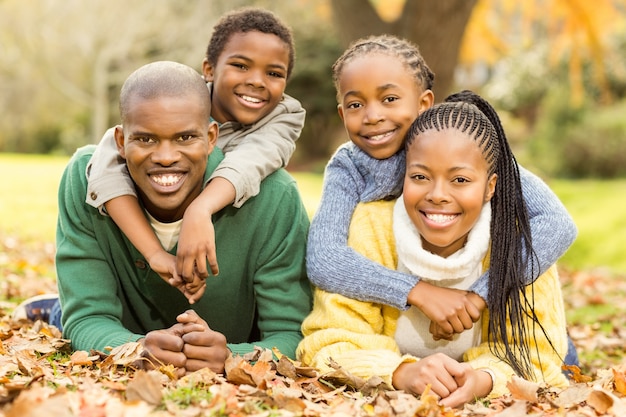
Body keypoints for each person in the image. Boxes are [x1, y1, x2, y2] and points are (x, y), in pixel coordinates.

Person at [19, 61, 311, 376]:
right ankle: (58, 308)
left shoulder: (275, 197)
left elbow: (293, 336)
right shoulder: (86, 179)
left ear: (212, 137)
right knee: (68, 317)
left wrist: (231, 356)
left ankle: (55, 308)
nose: (166, 157)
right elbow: (88, 319)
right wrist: (136, 349)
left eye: (186, 138)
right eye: (145, 139)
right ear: (120, 141)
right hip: (126, 327)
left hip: (233, 337)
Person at [297, 91, 570, 408]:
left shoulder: (523, 246)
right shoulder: (370, 230)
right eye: (420, 176)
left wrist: (483, 378)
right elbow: (325, 344)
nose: (438, 194)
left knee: (564, 351)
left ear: (490, 187)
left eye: (460, 179)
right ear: (403, 175)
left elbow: (540, 357)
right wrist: (402, 372)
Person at [305, 35, 578, 347]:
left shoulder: (458, 146)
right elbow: (324, 258)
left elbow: (557, 224)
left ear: (423, 104)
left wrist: (479, 296)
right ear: (342, 114)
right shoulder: (349, 167)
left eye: (389, 99)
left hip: (505, 333)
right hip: (407, 323)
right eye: (356, 104)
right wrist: (416, 290)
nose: (373, 116)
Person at [84, 7, 305, 302]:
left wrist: (200, 209)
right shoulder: (180, 98)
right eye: (241, 66)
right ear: (210, 70)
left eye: (274, 73)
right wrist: (153, 252)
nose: (257, 81)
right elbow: (106, 165)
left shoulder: (284, 116)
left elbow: (252, 159)